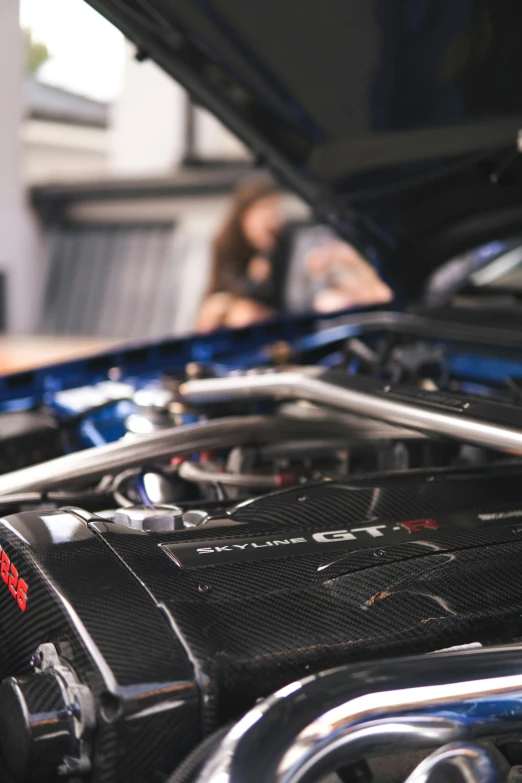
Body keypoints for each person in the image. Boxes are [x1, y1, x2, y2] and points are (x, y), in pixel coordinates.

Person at [196, 177, 392, 333]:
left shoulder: (287, 244)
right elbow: (214, 297)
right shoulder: (226, 247)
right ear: (244, 215)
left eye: (275, 213)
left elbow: (294, 306)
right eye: (264, 213)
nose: (273, 221)